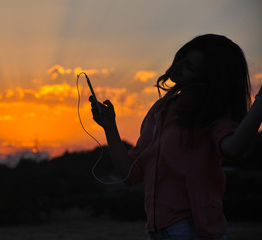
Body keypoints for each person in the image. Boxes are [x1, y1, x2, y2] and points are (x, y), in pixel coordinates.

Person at [89, 34, 262, 240]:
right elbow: (130, 174)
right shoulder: (159, 110)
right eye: (182, 59)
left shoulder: (212, 113)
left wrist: (260, 102)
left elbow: (233, 148)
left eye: (189, 67)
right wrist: (109, 126)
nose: (178, 67)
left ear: (208, 79)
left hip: (194, 230)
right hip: (155, 230)